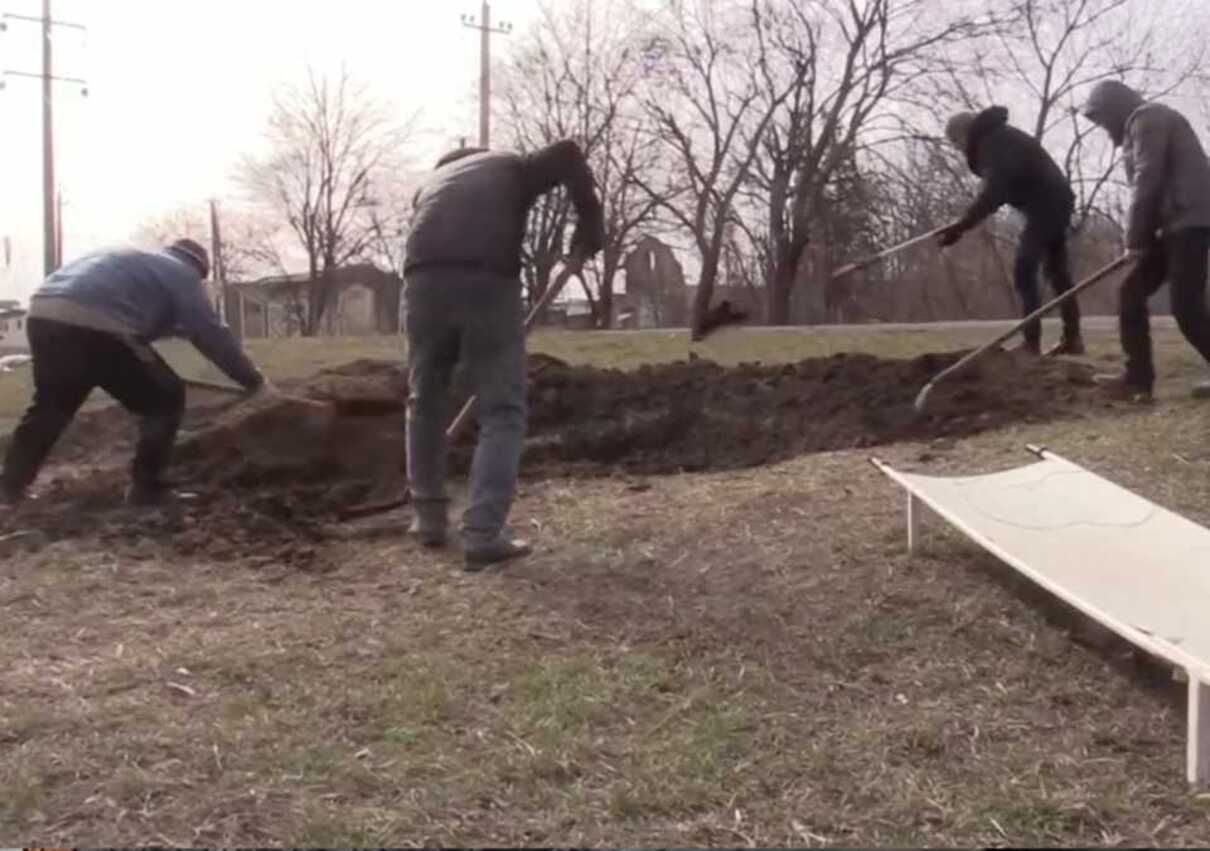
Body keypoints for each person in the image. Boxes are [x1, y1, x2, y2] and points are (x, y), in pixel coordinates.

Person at [404, 140, 604, 570]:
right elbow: (569, 153)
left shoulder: (432, 184)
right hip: (487, 281)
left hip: (420, 283)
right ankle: (483, 533)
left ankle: (428, 517)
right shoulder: (509, 165)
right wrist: (590, 227)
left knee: (425, 401)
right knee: (502, 409)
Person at [1, 239, 266, 506]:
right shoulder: (182, 273)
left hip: (43, 314)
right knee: (165, 398)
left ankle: (10, 486)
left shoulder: (137, 263)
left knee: (52, 405)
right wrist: (251, 379)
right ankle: (148, 488)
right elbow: (209, 331)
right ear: (200, 268)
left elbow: (158, 326)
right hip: (97, 324)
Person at [1082, 80, 1210, 403]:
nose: (1104, 129)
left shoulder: (1148, 118)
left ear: (1115, 109)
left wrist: (1135, 237)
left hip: (1191, 222)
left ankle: (1138, 380)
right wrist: (1147, 235)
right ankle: (1137, 380)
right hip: (1172, 225)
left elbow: (1147, 178)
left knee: (1187, 307)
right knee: (1130, 292)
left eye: (1103, 120)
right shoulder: (1142, 124)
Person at [937, 106, 1084, 357]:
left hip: (1046, 205)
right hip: (1053, 202)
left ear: (963, 135)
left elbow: (995, 192)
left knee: (1025, 269)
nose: (958, 149)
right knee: (1057, 273)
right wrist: (961, 225)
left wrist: (962, 226)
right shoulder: (999, 137)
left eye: (955, 143)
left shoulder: (992, 143)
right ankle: (1072, 340)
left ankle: (1031, 343)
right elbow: (1002, 188)